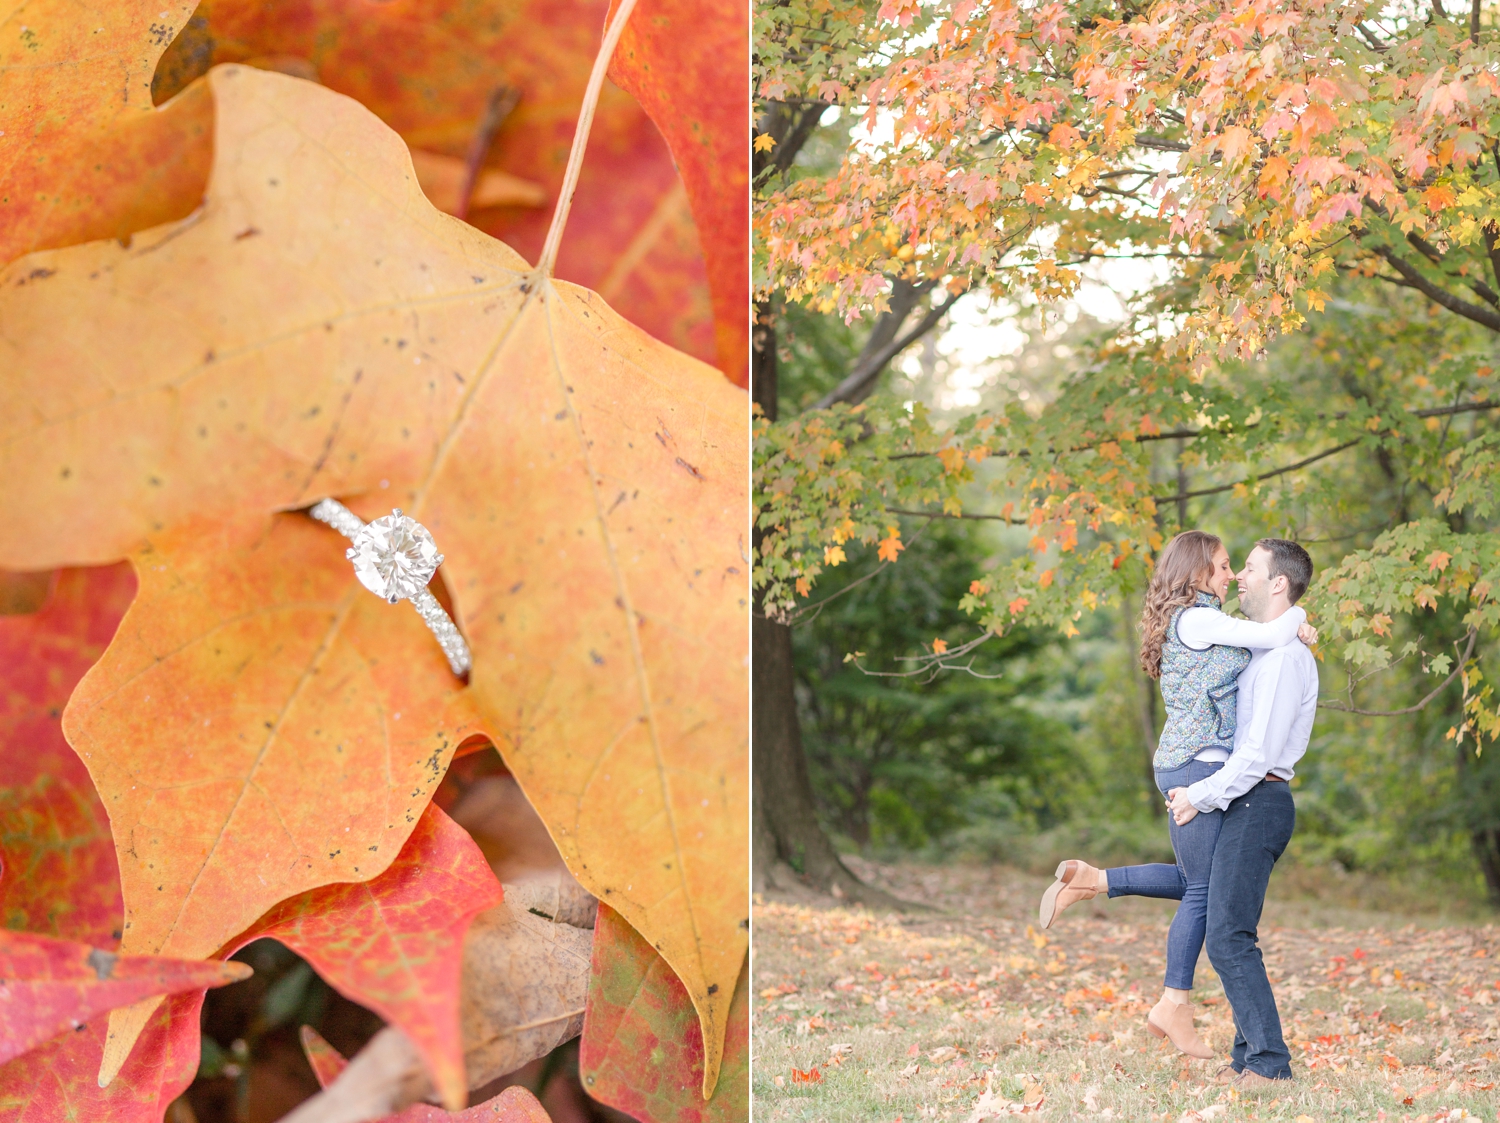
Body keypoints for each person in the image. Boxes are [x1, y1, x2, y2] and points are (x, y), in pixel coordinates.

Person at [1035, 531, 1315, 1061]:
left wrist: (1292, 623)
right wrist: (1298, 620)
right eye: (1227, 565)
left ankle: (1094, 881)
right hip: (1199, 767)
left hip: (1197, 767)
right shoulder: (1202, 619)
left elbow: (1264, 649)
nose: (1233, 575)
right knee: (1206, 894)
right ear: (1198, 572)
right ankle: (1173, 1003)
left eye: (1242, 566)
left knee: (1197, 883)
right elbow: (1273, 638)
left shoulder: (1207, 625)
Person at [1169, 538, 1318, 1090]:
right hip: (1247, 799)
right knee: (1222, 919)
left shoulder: (1282, 661)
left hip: (1259, 800)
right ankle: (1246, 1055)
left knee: (1229, 933)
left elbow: (1256, 756)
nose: (1239, 578)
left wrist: (1199, 794)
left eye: (1249, 569)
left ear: (1278, 583)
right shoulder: (1265, 649)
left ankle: (1269, 1064)